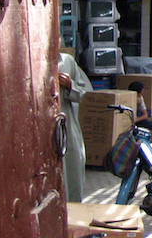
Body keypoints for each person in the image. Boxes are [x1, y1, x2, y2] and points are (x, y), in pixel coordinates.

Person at [58, 52, 92, 202]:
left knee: (73, 168)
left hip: (67, 124)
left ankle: (73, 209)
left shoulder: (67, 61)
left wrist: (70, 85)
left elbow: (82, 92)